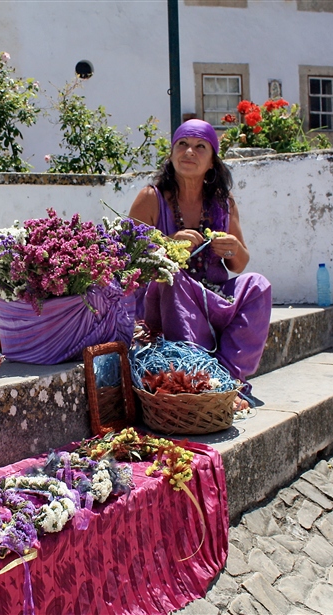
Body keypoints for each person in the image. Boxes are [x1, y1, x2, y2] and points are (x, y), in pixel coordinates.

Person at [129, 119, 272, 406]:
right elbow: (128, 257)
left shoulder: (223, 204)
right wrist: (168, 244)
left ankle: (229, 381)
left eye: (199, 147)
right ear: (171, 155)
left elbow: (239, 265)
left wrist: (232, 249)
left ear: (211, 162)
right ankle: (198, 380)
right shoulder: (151, 198)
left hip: (212, 295)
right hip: (164, 299)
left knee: (258, 285)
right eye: (182, 144)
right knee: (171, 274)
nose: (189, 152)